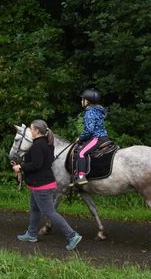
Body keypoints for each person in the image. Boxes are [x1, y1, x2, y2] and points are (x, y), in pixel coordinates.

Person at [11, 120, 83, 251]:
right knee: (34, 208)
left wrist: (20, 167)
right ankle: (31, 233)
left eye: (31, 129)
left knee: (49, 212)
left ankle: (72, 235)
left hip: (41, 185)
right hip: (40, 183)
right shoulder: (48, 143)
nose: (30, 131)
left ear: (37, 131)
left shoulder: (38, 145)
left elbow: (37, 164)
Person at [75, 88, 109, 185]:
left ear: (88, 101)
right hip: (105, 137)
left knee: (81, 153)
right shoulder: (99, 110)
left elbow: (89, 130)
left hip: (97, 138)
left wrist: (80, 138)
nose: (81, 101)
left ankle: (81, 176)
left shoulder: (89, 112)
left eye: (83, 99)